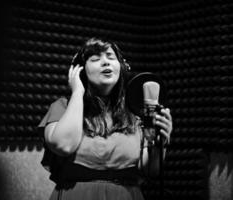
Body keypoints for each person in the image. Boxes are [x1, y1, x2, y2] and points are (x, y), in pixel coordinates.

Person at [38, 37, 173, 200]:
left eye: (110, 57)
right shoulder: (62, 107)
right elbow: (64, 145)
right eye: (95, 59)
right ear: (79, 70)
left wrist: (159, 143)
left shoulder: (135, 114)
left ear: (121, 67)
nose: (105, 62)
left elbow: (149, 171)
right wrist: (77, 92)